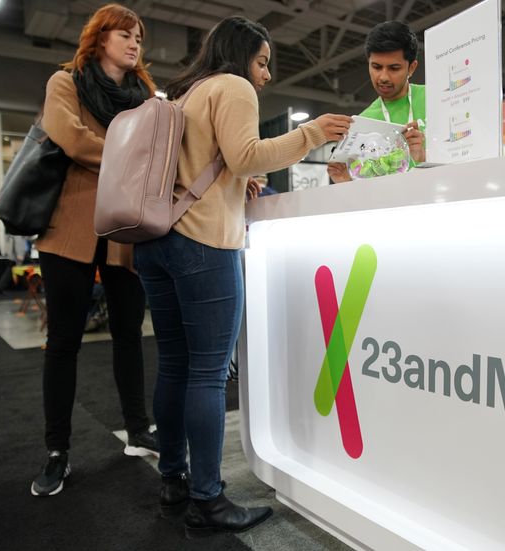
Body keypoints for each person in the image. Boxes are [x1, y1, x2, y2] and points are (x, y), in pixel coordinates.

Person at [133, 15, 351, 537]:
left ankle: (174, 480)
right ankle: (209, 500)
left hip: (156, 242)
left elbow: (213, 166)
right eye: (262, 62)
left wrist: (237, 184)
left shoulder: (188, 92)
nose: (267, 75)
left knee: (176, 366)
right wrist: (312, 133)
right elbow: (245, 155)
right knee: (208, 373)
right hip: (203, 243)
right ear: (240, 57)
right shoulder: (232, 86)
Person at [30, 3, 158, 497]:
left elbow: (161, 150)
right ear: (100, 37)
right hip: (70, 227)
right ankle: (57, 451)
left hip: (126, 228)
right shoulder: (65, 82)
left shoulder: (144, 94)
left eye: (139, 38)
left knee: (130, 332)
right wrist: (133, 156)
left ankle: (137, 429)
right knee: (64, 340)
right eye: (124, 34)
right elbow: (70, 140)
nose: (133, 44)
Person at [328, 20, 426, 183]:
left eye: (394, 68)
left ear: (412, 68)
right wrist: (346, 182)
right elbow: (365, 191)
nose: (383, 77)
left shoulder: (437, 99)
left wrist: (424, 157)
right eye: (376, 67)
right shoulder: (361, 125)